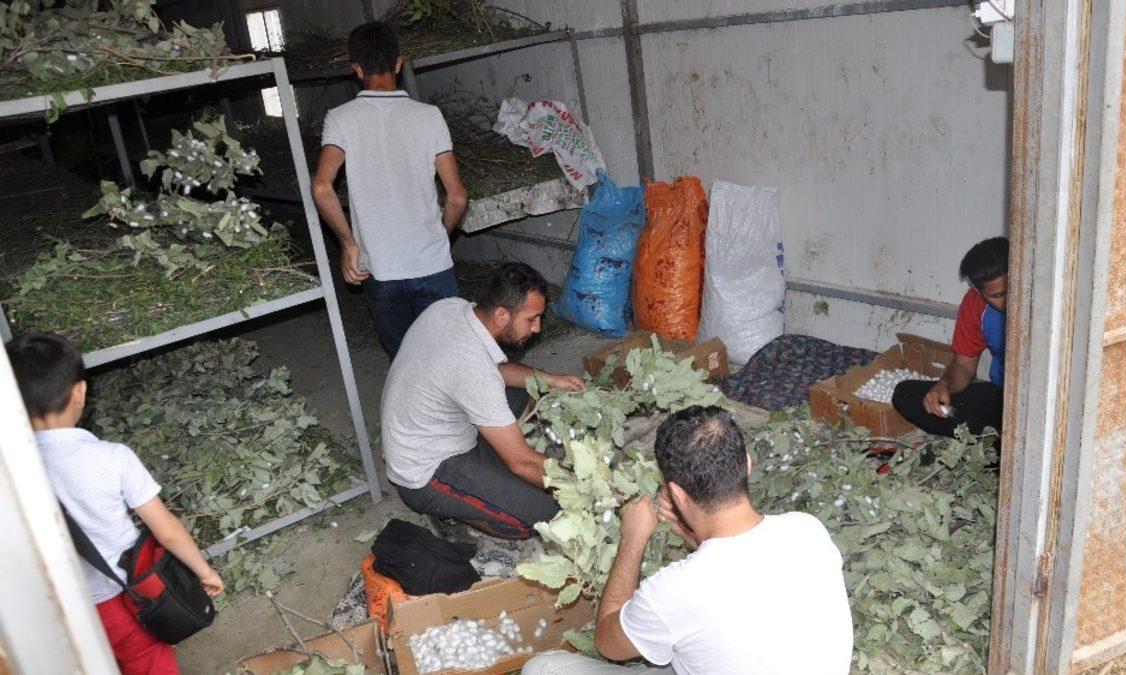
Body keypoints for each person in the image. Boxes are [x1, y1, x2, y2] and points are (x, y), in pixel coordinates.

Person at [523, 406, 854, 675]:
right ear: (747, 464)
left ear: (676, 494)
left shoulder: (673, 590)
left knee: (542, 668)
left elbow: (608, 643)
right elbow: (745, 576)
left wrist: (632, 540)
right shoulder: (807, 529)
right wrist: (697, 537)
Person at [6, 333, 223, 675]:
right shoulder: (111, 458)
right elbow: (167, 530)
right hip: (119, 599)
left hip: (56, 611)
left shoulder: (10, 471)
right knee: (147, 661)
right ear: (80, 392)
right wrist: (204, 571)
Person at [381, 263, 585, 539]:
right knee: (545, 513)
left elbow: (495, 370)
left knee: (527, 391)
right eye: (531, 319)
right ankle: (449, 508)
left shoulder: (451, 308)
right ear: (501, 315)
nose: (537, 328)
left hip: (431, 428)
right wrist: (584, 486)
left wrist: (552, 380)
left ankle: (488, 474)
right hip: (424, 471)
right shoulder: (472, 369)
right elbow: (522, 462)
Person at [312, 21, 469, 361]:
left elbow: (322, 187)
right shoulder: (430, 116)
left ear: (357, 69)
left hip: (381, 269)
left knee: (404, 361)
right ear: (398, 63)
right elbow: (457, 196)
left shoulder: (340, 119)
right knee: (451, 357)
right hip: (432, 264)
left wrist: (348, 244)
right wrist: (440, 234)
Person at [892, 236, 1008, 437]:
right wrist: (943, 385)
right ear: (977, 291)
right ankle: (996, 438)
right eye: (997, 296)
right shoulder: (975, 305)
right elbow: (964, 366)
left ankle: (1000, 440)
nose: (1009, 301)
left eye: (1011, 290)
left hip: (1041, 404)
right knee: (907, 395)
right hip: (1002, 396)